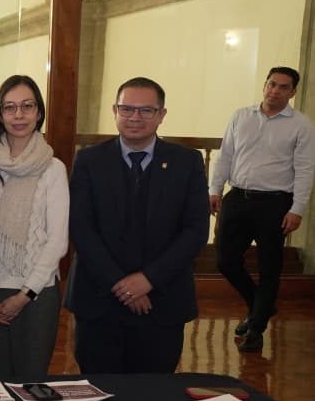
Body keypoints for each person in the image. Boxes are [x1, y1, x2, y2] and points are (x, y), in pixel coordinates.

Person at [66, 77, 209, 374]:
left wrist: (148, 279)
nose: (134, 117)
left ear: (161, 115)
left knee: (153, 392)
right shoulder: (89, 160)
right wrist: (123, 285)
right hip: (100, 301)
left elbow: (195, 231)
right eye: (127, 109)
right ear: (115, 111)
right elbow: (81, 228)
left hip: (162, 302)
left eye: (146, 110)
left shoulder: (187, 162)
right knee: (99, 390)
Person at [0, 75, 69, 379]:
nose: (19, 115)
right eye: (9, 108)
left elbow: (57, 241)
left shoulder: (54, 169)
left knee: (29, 383)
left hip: (36, 294)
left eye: (27, 106)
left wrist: (25, 295)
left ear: (39, 112)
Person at [209, 66, 312, 353]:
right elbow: (226, 155)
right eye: (271, 84)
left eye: (283, 87)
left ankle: (255, 328)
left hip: (275, 203)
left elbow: (305, 169)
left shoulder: (301, 125)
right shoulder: (241, 116)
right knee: (225, 261)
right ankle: (261, 307)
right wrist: (214, 189)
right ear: (265, 85)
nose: (274, 91)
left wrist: (297, 209)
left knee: (269, 267)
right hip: (237, 198)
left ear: (292, 92)